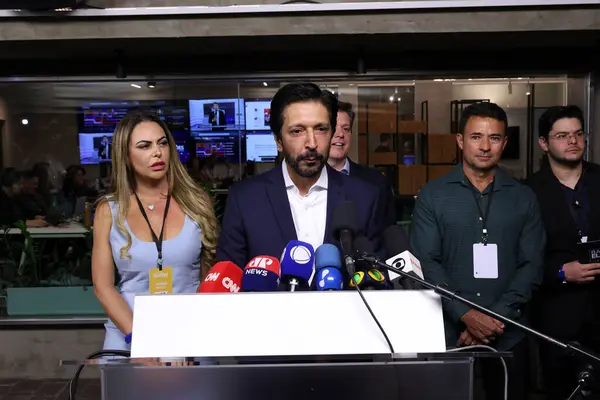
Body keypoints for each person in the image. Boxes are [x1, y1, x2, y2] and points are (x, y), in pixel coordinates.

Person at [410, 102, 546, 400]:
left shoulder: (523, 198)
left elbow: (532, 265)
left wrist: (491, 320)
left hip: (510, 335)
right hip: (450, 335)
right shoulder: (433, 196)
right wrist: (466, 315)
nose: (485, 146)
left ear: (504, 142)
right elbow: (425, 265)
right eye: (476, 137)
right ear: (460, 140)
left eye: (494, 138)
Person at [217, 83, 383, 271]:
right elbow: (229, 287)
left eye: (321, 129)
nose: (312, 143)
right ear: (278, 140)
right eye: (297, 131)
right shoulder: (245, 200)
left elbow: (376, 281)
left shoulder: (365, 198)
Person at [92, 109, 218, 351]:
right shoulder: (109, 211)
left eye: (162, 143)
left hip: (189, 335)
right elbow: (103, 287)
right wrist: (137, 339)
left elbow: (208, 278)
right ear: (126, 156)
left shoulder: (197, 202)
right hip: (129, 337)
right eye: (144, 146)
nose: (157, 152)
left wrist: (199, 331)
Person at [526, 105, 600, 400]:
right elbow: (521, 257)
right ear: (544, 143)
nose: (573, 141)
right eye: (562, 135)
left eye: (578, 134)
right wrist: (559, 272)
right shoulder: (528, 192)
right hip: (555, 318)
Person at [327, 101, 396, 227]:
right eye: (333, 128)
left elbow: (387, 234)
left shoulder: (376, 184)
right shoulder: (303, 183)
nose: (340, 134)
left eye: (346, 129)